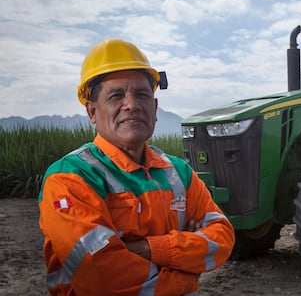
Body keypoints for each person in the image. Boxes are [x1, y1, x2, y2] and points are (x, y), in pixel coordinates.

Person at [38, 38, 235, 295]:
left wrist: (149, 248)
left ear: (154, 108)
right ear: (92, 112)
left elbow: (222, 239)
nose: (132, 104)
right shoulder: (69, 177)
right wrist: (183, 278)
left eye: (142, 94)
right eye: (116, 95)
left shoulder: (179, 172)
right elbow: (101, 274)